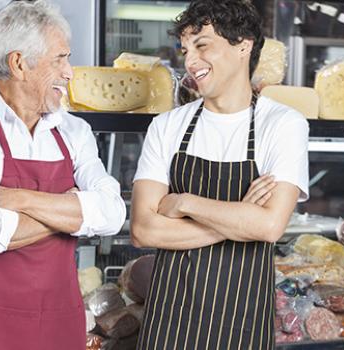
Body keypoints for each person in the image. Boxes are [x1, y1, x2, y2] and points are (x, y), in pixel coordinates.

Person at [0, 1, 126, 349]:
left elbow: (112, 214)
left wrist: (19, 200)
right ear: (19, 64)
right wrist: (72, 211)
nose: (69, 72)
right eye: (59, 59)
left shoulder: (75, 131)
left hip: (56, 317)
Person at [131, 1, 309, 349]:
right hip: (169, 320)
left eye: (202, 46)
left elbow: (269, 227)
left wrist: (183, 201)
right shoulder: (167, 126)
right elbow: (142, 229)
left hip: (241, 322)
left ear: (243, 45)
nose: (190, 61)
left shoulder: (283, 124)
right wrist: (238, 217)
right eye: (185, 50)